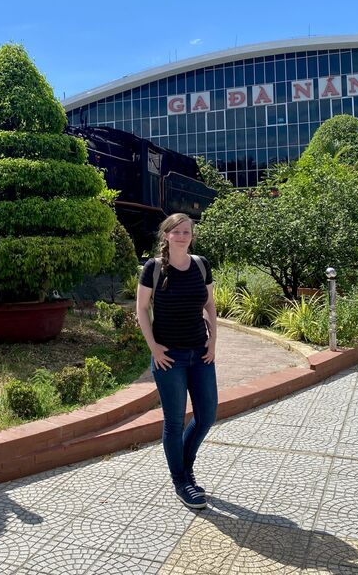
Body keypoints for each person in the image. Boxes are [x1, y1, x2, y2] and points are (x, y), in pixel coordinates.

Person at [136, 212, 217, 509]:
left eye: (187, 232)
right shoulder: (153, 268)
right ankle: (181, 480)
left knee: (207, 415)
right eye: (177, 231)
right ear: (166, 235)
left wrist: (213, 340)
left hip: (201, 353)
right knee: (173, 420)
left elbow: (209, 304)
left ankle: (186, 465)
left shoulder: (200, 264)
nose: (183, 236)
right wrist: (154, 348)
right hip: (169, 356)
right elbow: (142, 309)